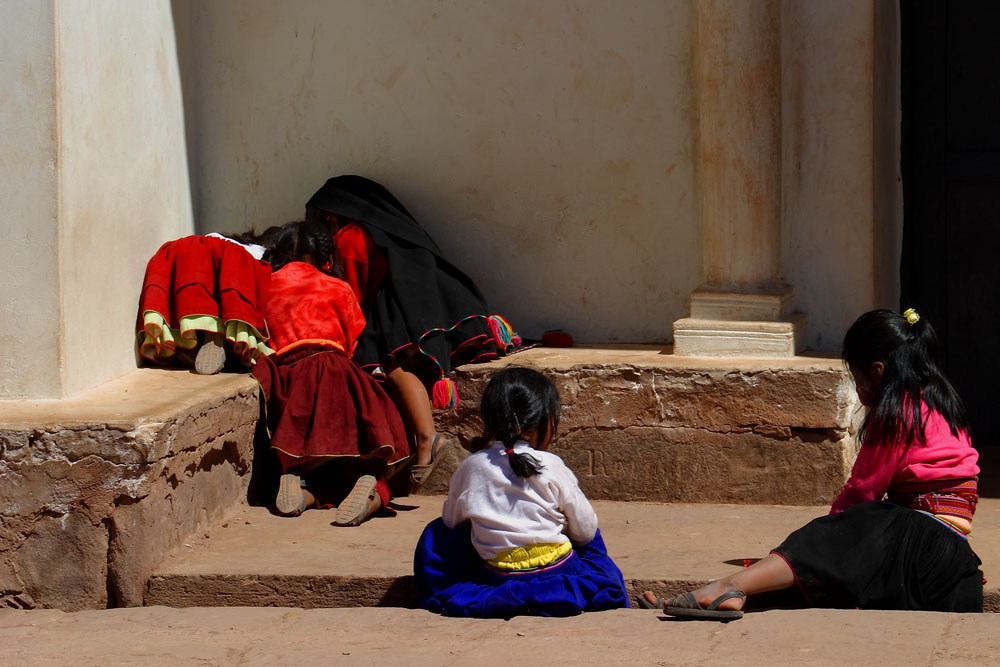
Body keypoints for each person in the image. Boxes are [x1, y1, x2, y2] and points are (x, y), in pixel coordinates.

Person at [641, 308, 983, 620]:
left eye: (855, 376)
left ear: (877, 373)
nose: (857, 385)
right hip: (953, 565)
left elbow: (861, 492)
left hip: (920, 543)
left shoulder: (897, 415)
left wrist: (828, 536)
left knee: (828, 544)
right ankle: (725, 595)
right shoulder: (944, 406)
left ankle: (725, 586)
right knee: (833, 562)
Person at [304, 176, 523, 489]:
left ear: (331, 217)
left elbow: (353, 293)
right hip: (429, 304)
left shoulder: (350, 238)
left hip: (396, 309)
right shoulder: (390, 230)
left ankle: (427, 439)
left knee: (391, 366)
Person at [413, 366, 630, 617]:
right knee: (591, 536)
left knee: (436, 531)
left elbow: (451, 523)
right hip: (558, 573)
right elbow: (585, 530)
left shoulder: (471, 466)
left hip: (497, 577)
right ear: (531, 427)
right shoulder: (552, 465)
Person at [251, 220, 410, 525]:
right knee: (368, 458)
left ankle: (298, 481)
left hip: (291, 374)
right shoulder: (339, 287)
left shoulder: (265, 283)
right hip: (341, 372)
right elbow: (351, 340)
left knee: (301, 449)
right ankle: (371, 490)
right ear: (325, 257)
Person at [136, 230, 277, 374]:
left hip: (183, 258)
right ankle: (214, 335)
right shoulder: (255, 253)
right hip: (209, 260)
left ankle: (188, 346)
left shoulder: (227, 243)